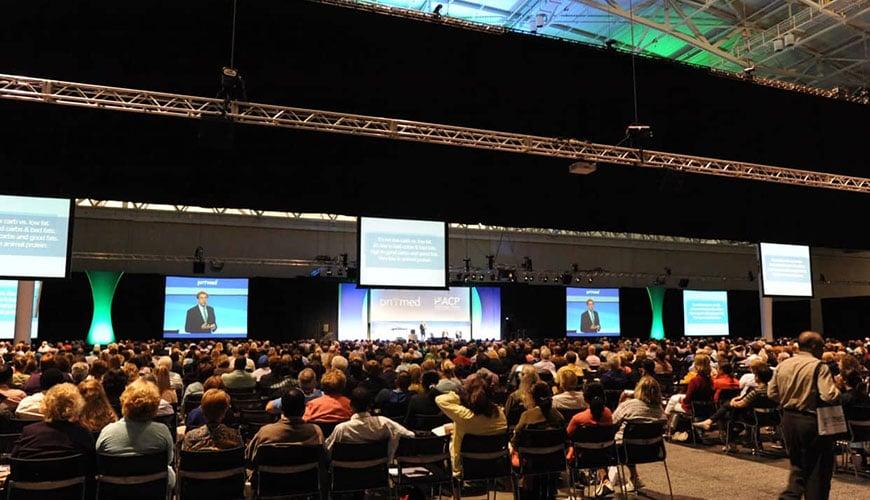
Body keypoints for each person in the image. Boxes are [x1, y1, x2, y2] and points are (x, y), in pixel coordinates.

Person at [768, 331, 840, 500]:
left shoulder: (783, 364)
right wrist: (838, 388)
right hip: (811, 421)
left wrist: (788, 400)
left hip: (788, 420)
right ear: (814, 346)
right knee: (818, 470)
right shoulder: (818, 366)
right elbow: (828, 396)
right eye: (822, 346)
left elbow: (772, 393)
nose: (823, 350)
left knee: (798, 466)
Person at [97, 379, 176, 489]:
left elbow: (99, 462)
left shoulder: (107, 432)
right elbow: (168, 459)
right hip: (152, 491)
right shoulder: (162, 432)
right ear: (154, 406)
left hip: (115, 492)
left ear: (124, 402)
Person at [436, 378, 507, 476]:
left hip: (465, 468)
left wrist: (461, 395)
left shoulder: (465, 416)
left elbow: (440, 399)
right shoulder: (500, 414)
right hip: (495, 466)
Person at [694, 365, 774, 452]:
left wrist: (732, 402)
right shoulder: (772, 391)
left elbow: (741, 404)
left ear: (757, 377)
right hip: (772, 418)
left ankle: (724, 436)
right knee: (730, 411)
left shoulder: (755, 391)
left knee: (728, 412)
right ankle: (714, 425)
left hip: (755, 418)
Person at [11, 383, 95, 461]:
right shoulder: (83, 434)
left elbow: (14, 461)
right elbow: (92, 468)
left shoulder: (28, 432)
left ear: (46, 404)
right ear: (77, 405)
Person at [325, 387, 414, 460]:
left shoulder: (342, 429)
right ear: (370, 406)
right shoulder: (384, 423)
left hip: (348, 478)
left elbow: (327, 451)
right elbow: (410, 435)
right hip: (378, 477)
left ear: (351, 406)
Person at [611, 376, 665, 492]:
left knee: (608, 441)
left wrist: (621, 404)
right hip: (653, 451)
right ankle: (634, 477)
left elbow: (612, 424)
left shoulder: (629, 405)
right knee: (632, 440)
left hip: (626, 451)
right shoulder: (660, 409)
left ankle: (604, 480)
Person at [246, 388, 324, 461]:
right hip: (309, 475)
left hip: (271, 475)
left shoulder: (265, 432)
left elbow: (249, 457)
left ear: (281, 409)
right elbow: (324, 458)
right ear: (304, 410)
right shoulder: (316, 432)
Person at [566, 382, 613, 496]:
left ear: (585, 398)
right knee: (596, 447)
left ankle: (578, 490)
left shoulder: (578, 419)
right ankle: (605, 480)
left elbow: (566, 436)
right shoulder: (608, 413)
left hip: (582, 458)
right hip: (605, 455)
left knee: (570, 446)